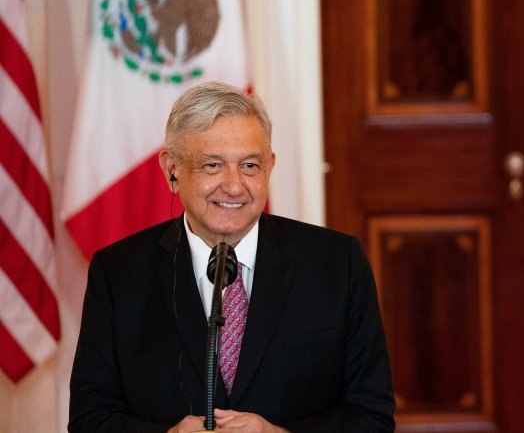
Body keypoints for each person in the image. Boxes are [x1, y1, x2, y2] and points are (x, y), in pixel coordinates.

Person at [69, 82, 395, 432]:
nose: (235, 186)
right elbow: (90, 419)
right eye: (212, 165)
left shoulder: (337, 263)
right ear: (172, 170)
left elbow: (372, 417)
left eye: (250, 166)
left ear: (270, 167)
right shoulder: (118, 273)